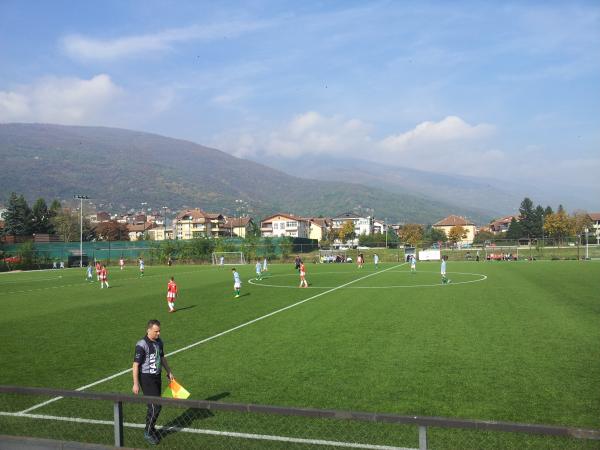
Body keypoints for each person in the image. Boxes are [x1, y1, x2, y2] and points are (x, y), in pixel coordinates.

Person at [132, 319, 174, 445]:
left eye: (159, 331)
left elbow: (161, 357)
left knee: (154, 405)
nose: (159, 333)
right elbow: (135, 365)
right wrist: (135, 383)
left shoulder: (159, 342)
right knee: (156, 405)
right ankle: (148, 432)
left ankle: (151, 426)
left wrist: (169, 371)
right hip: (146, 378)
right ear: (148, 330)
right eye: (156, 331)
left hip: (157, 377)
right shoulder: (142, 344)